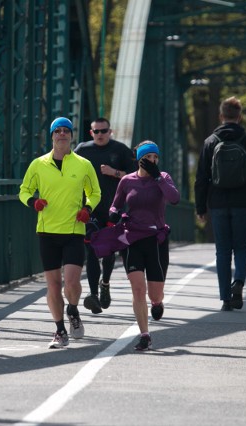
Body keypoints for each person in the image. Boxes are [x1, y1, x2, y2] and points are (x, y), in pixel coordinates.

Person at [19, 117, 101, 349]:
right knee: (53, 285)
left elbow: (95, 193)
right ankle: (60, 330)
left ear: (71, 136)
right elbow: (23, 191)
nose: (62, 134)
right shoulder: (38, 164)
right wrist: (33, 202)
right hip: (47, 231)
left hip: (74, 230)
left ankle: (73, 310)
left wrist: (87, 209)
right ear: (52, 136)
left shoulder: (83, 164)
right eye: (58, 131)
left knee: (72, 282)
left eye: (66, 131)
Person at [103, 141, 180, 351]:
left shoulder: (163, 178)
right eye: (149, 158)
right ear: (140, 159)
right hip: (132, 238)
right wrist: (113, 213)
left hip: (156, 240)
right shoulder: (127, 181)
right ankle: (145, 335)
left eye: (156, 157)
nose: (153, 161)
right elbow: (116, 204)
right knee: (138, 289)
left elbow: (174, 198)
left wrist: (157, 177)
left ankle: (157, 303)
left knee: (154, 294)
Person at [194, 96, 246, 311]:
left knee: (222, 251)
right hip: (243, 203)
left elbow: (201, 178)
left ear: (221, 116)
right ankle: (239, 282)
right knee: (242, 248)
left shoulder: (210, 142)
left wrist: (201, 207)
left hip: (217, 204)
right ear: (240, 116)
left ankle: (225, 298)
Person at [74, 117, 136, 314]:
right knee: (92, 251)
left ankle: (105, 283)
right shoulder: (82, 150)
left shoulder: (120, 150)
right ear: (91, 133)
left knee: (108, 252)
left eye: (104, 131)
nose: (100, 134)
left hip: (113, 209)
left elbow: (135, 175)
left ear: (111, 131)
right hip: (90, 209)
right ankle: (93, 295)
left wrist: (114, 172)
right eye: (96, 131)